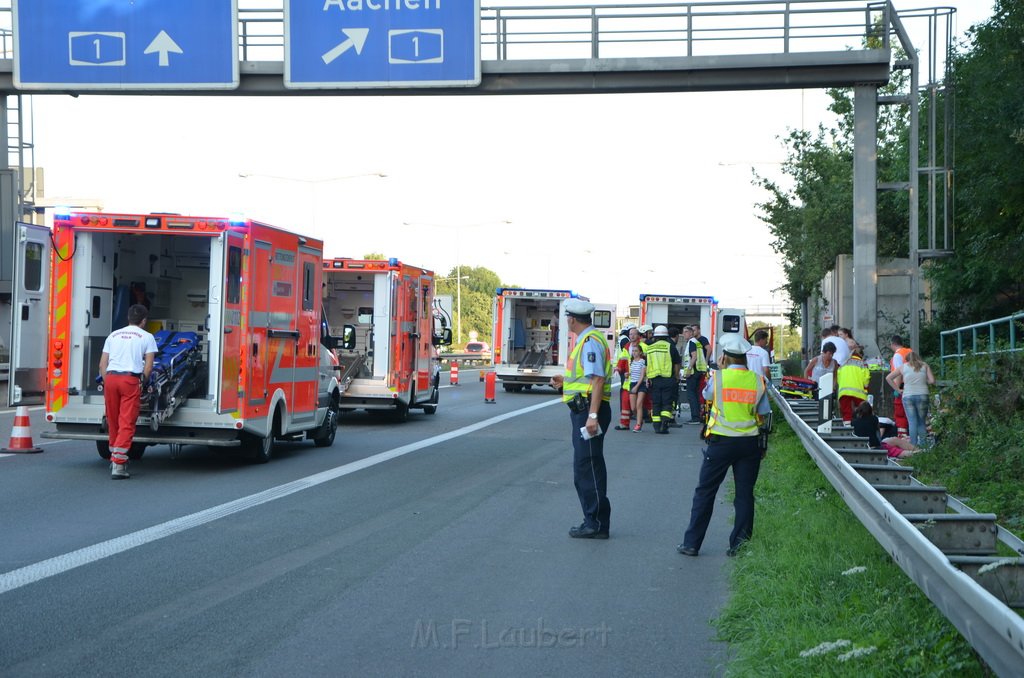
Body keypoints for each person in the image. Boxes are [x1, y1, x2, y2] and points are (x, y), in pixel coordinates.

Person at [677, 333, 771, 557]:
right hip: (749, 444)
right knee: (744, 494)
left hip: (721, 442)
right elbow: (764, 413)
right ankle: (739, 546)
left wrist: (717, 371)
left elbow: (707, 395)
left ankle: (692, 544)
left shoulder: (718, 378)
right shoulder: (758, 380)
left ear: (724, 357)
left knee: (705, 492)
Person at [550, 299, 613, 539]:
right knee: (587, 465)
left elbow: (597, 380)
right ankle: (593, 520)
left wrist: (592, 416)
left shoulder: (588, 342)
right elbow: (589, 380)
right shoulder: (590, 339)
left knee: (587, 467)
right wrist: (565, 382)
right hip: (586, 409)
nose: (567, 321)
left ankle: (595, 523)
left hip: (588, 411)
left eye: (567, 318)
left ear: (572, 319)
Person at [99, 303, 157, 479]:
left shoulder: (113, 335)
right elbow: (148, 366)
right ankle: (118, 464)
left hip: (110, 378)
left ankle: (113, 455)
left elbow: (102, 364)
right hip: (130, 380)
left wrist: (106, 380)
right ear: (144, 321)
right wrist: (143, 382)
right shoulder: (147, 337)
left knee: (113, 419)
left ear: (128, 318)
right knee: (127, 421)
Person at [886, 350, 936, 448]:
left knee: (912, 421)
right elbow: (932, 381)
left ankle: (912, 447)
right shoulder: (924, 365)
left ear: (907, 360)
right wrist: (923, 379)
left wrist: (898, 389)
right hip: (923, 395)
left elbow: (888, 378)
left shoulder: (903, 367)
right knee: (921, 421)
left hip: (908, 396)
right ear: (918, 358)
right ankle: (923, 445)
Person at [642, 325, 681, 434]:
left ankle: (656, 425)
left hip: (654, 380)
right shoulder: (670, 347)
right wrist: (677, 376)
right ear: (666, 336)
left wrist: (647, 378)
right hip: (668, 379)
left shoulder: (650, 348)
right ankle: (664, 423)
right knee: (667, 402)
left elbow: (647, 365)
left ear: (655, 336)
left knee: (656, 403)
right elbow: (677, 363)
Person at [852, 401, 919, 459]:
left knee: (894, 439)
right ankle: (917, 452)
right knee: (895, 450)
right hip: (875, 447)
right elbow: (878, 436)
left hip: (862, 447)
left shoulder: (854, 422)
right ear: (870, 410)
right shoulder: (874, 419)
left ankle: (918, 451)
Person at [836, 345, 870, 426]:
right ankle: (862, 426)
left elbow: (838, 377)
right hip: (859, 392)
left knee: (846, 412)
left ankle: (847, 428)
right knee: (863, 411)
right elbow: (866, 379)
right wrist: (866, 389)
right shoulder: (863, 364)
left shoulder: (843, 363)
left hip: (844, 391)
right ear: (861, 355)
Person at [683, 324, 709, 424]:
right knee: (696, 394)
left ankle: (695, 417)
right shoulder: (696, 342)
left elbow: (694, 356)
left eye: (685, 332)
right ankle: (698, 416)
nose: (684, 334)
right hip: (698, 371)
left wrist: (689, 369)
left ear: (690, 333)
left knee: (691, 395)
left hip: (693, 372)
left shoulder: (691, 342)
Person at [889, 335, 912, 438]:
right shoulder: (910, 352)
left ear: (892, 344)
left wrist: (896, 389)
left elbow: (899, 373)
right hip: (914, 385)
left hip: (903, 386)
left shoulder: (897, 355)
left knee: (900, 413)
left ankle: (903, 437)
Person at [614, 335, 633, 430]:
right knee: (625, 402)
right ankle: (624, 424)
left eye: (634, 334)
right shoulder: (627, 347)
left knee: (645, 403)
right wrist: (618, 369)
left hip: (641, 380)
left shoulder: (642, 346)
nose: (632, 336)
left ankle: (641, 422)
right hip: (628, 381)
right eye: (631, 334)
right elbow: (622, 360)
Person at [627, 344, 647, 432]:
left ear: (640, 352)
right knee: (633, 408)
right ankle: (640, 419)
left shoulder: (642, 361)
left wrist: (636, 387)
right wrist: (628, 374)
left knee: (639, 404)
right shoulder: (631, 361)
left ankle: (638, 424)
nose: (634, 353)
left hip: (640, 384)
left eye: (636, 351)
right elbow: (633, 373)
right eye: (633, 351)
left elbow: (642, 376)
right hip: (632, 383)